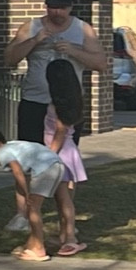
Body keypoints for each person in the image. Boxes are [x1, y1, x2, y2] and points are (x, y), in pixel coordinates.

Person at [3, 0, 109, 146]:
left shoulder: (83, 29)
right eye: (53, 7)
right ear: (46, 6)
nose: (58, 12)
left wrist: (73, 51)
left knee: (64, 151)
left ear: (70, 7)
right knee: (32, 151)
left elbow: (101, 64)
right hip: (35, 101)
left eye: (62, 8)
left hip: (68, 103)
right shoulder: (31, 27)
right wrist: (35, 40)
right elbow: (9, 59)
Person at [0, 128, 84, 260]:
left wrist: (27, 193)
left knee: (33, 208)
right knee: (63, 200)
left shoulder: (2, 152)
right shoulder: (15, 146)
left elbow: (17, 172)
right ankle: (68, 238)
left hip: (45, 169)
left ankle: (38, 248)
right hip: (57, 163)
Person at [43, 56, 88, 189]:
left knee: (62, 194)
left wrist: (50, 154)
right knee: (68, 190)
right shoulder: (73, 101)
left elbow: (60, 131)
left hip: (60, 152)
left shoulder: (58, 106)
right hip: (69, 149)